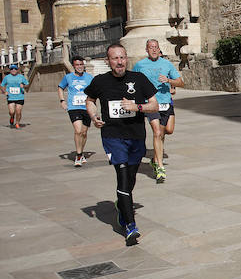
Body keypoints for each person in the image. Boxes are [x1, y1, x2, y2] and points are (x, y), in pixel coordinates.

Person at [84, 44, 159, 246]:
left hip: (136, 137)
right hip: (113, 136)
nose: (120, 62)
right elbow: (89, 100)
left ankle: (122, 204)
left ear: (127, 59)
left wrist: (137, 106)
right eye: (115, 58)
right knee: (123, 176)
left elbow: (155, 104)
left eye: (123, 58)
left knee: (131, 178)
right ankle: (130, 225)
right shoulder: (100, 81)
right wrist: (93, 116)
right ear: (108, 61)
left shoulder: (139, 79)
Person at [133, 38, 184, 183]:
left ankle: (156, 157)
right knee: (157, 132)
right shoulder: (139, 65)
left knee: (168, 130)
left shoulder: (167, 64)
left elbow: (181, 82)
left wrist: (169, 81)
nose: (154, 50)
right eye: (151, 47)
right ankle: (159, 166)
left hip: (166, 103)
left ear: (159, 49)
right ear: (146, 50)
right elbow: (132, 83)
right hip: (151, 104)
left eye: (156, 47)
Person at [57, 56, 94, 166]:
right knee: (78, 131)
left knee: (84, 132)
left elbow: (94, 90)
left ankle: (81, 152)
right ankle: (78, 155)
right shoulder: (68, 77)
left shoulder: (89, 77)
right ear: (73, 66)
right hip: (74, 107)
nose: (79, 67)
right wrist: (62, 101)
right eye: (77, 65)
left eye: (81, 64)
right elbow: (60, 87)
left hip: (86, 107)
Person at [1, 64, 29, 128]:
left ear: (17, 70)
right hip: (10, 97)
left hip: (20, 96)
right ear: (10, 70)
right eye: (12, 69)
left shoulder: (21, 77)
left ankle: (17, 123)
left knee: (18, 111)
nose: (13, 70)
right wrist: (4, 91)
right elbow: (2, 85)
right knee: (11, 112)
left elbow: (27, 84)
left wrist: (24, 86)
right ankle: (12, 117)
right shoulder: (7, 77)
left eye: (15, 69)